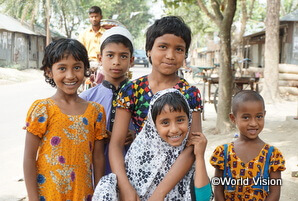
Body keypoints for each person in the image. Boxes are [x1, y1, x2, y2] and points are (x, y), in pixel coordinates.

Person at [109, 16, 203, 200]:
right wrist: (126, 187)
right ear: (149, 50)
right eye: (163, 47)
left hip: (176, 183)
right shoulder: (131, 90)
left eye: (179, 49)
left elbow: (192, 148)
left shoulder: (190, 94)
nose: (170, 55)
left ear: (185, 55)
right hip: (137, 178)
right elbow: (116, 144)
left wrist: (160, 194)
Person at [23, 39, 107, 201]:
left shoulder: (96, 112)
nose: (70, 75)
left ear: (85, 70)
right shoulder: (43, 109)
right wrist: (33, 198)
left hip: (83, 193)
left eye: (77, 67)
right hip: (48, 194)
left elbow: (98, 158)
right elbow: (28, 158)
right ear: (49, 72)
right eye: (62, 68)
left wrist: (99, 193)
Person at [93, 89, 212, 201]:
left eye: (180, 120)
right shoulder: (139, 154)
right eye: (165, 122)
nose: (174, 129)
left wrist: (200, 156)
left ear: (189, 120)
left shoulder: (189, 154)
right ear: (153, 125)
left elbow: (204, 197)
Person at [210, 90, 286, 201]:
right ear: (233, 118)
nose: (253, 123)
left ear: (264, 115)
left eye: (259, 116)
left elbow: (275, 193)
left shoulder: (272, 155)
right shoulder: (223, 153)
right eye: (246, 117)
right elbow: (218, 189)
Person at [80, 26, 135, 175]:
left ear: (131, 60)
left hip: (133, 171)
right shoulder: (86, 98)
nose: (116, 62)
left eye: (123, 56)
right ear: (100, 58)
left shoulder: (140, 95)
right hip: (97, 173)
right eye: (110, 55)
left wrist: (134, 134)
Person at [79, 6, 105, 84]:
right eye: (92, 17)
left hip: (101, 64)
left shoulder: (106, 34)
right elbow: (80, 50)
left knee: (102, 82)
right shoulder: (84, 34)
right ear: (89, 18)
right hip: (87, 63)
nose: (94, 19)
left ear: (101, 17)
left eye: (96, 16)